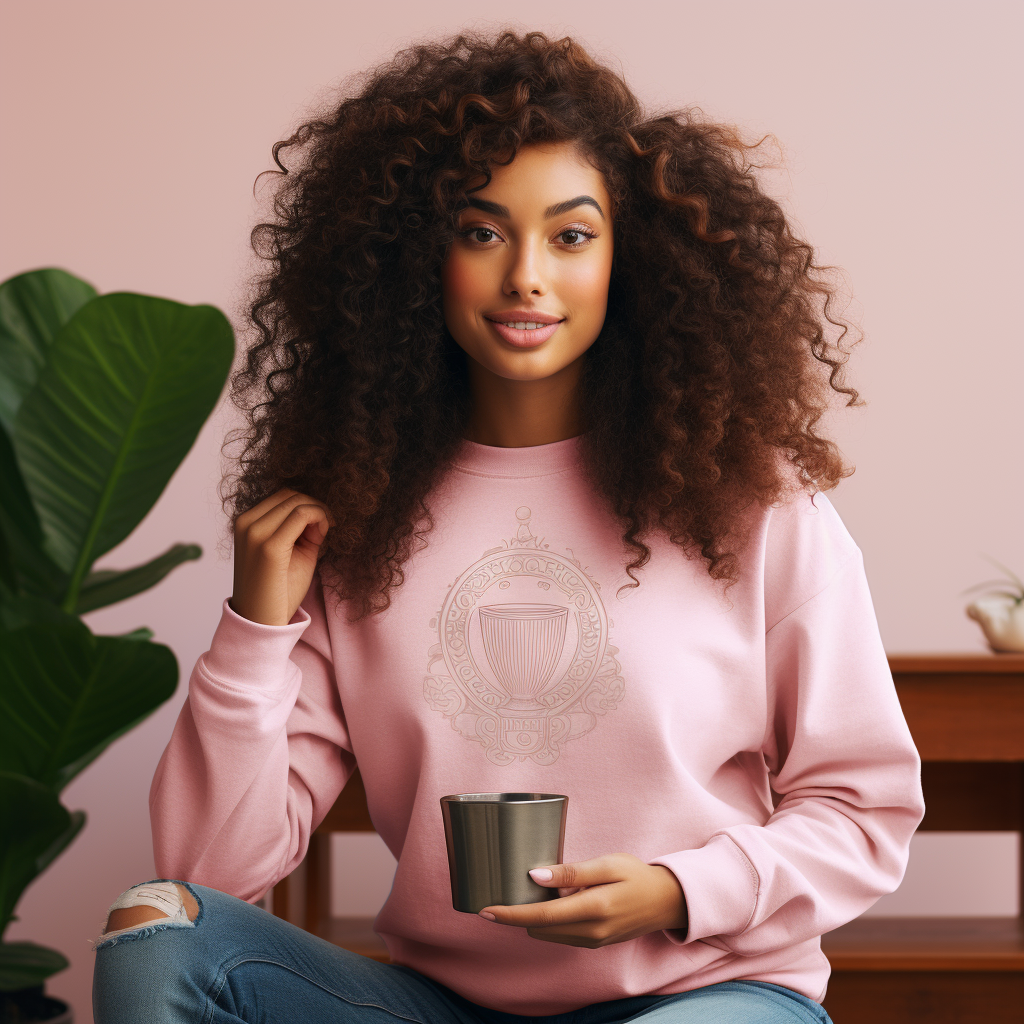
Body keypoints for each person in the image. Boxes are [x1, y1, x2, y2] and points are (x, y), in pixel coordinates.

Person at [92, 29, 924, 1024]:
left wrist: (677, 891)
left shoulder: (750, 502)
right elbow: (208, 868)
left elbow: (864, 810)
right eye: (480, 232)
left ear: (629, 259)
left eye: (571, 236)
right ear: (413, 258)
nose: (526, 274)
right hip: (445, 1006)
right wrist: (255, 624)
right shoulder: (358, 517)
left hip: (709, 991)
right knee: (157, 930)